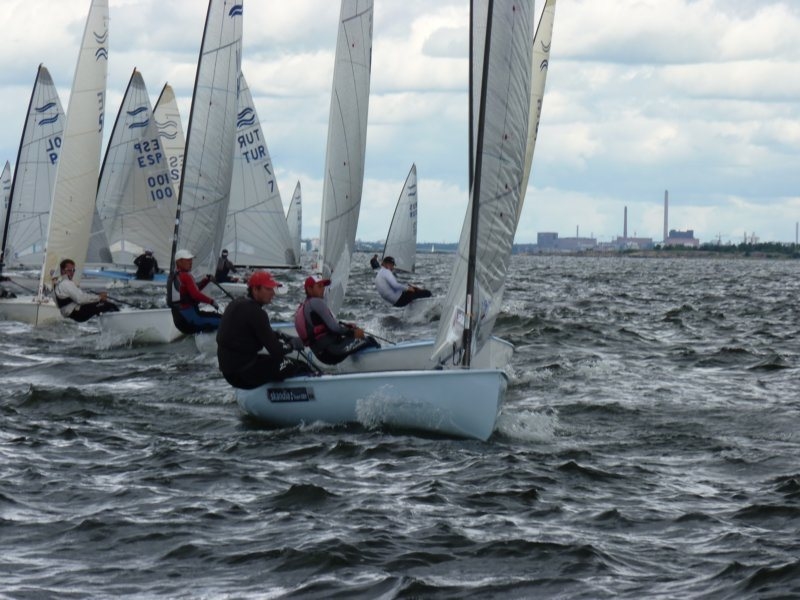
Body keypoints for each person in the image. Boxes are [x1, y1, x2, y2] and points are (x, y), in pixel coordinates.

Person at [217, 270, 310, 389]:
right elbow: (276, 351)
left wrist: (280, 335)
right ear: (255, 290)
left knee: (276, 363)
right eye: (268, 289)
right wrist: (292, 345)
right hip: (244, 374)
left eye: (273, 289)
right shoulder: (257, 312)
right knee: (298, 366)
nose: (273, 293)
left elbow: (252, 331)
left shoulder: (236, 303)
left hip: (230, 373)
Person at [295, 276, 379, 365]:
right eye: (319, 286)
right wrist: (353, 332)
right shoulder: (316, 302)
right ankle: (377, 361)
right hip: (332, 352)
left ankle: (356, 364)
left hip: (322, 354)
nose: (323, 289)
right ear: (309, 289)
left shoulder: (306, 306)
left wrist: (347, 328)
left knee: (352, 339)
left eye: (323, 286)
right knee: (369, 340)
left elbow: (327, 327)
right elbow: (334, 328)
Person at [166, 248, 221, 334]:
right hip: (192, 320)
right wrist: (211, 301)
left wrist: (206, 280)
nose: (191, 262)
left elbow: (192, 290)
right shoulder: (186, 276)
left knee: (211, 317)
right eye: (187, 260)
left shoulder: (173, 276)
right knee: (225, 320)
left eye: (191, 260)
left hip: (179, 320)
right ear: (179, 262)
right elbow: (195, 294)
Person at [54, 258, 120, 322]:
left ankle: (106, 322)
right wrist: (99, 297)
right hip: (78, 312)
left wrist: (97, 298)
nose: (72, 273)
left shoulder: (59, 283)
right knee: (110, 305)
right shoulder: (66, 283)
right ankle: (119, 321)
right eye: (69, 270)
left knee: (101, 305)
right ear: (63, 271)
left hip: (73, 313)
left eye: (73, 270)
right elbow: (80, 299)